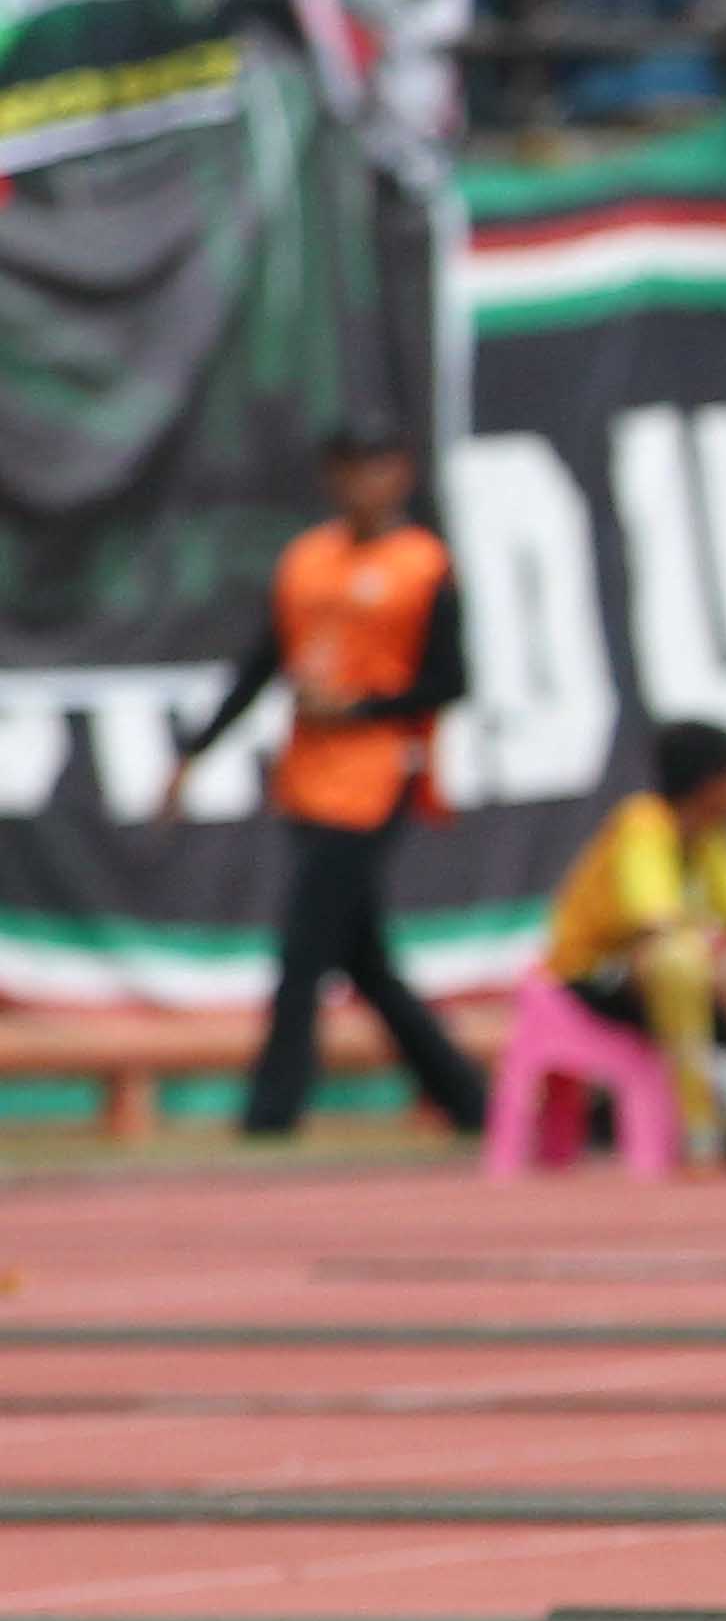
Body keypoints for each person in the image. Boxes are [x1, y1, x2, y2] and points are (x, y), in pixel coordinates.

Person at [162, 430, 493, 1141]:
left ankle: (269, 1116)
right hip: (308, 780)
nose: (358, 484)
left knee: (305, 949)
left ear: (399, 474)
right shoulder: (307, 559)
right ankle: (469, 1101)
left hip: (379, 779)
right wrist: (196, 750)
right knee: (364, 963)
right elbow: (261, 664)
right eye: (345, 470)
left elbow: (453, 680)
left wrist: (361, 709)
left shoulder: (423, 565)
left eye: (372, 468)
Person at [537, 719, 726, 1162]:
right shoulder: (642, 824)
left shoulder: (710, 837)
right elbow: (655, 926)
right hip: (597, 983)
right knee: (677, 959)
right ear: (710, 783)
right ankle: (698, 1126)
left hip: (696, 981)